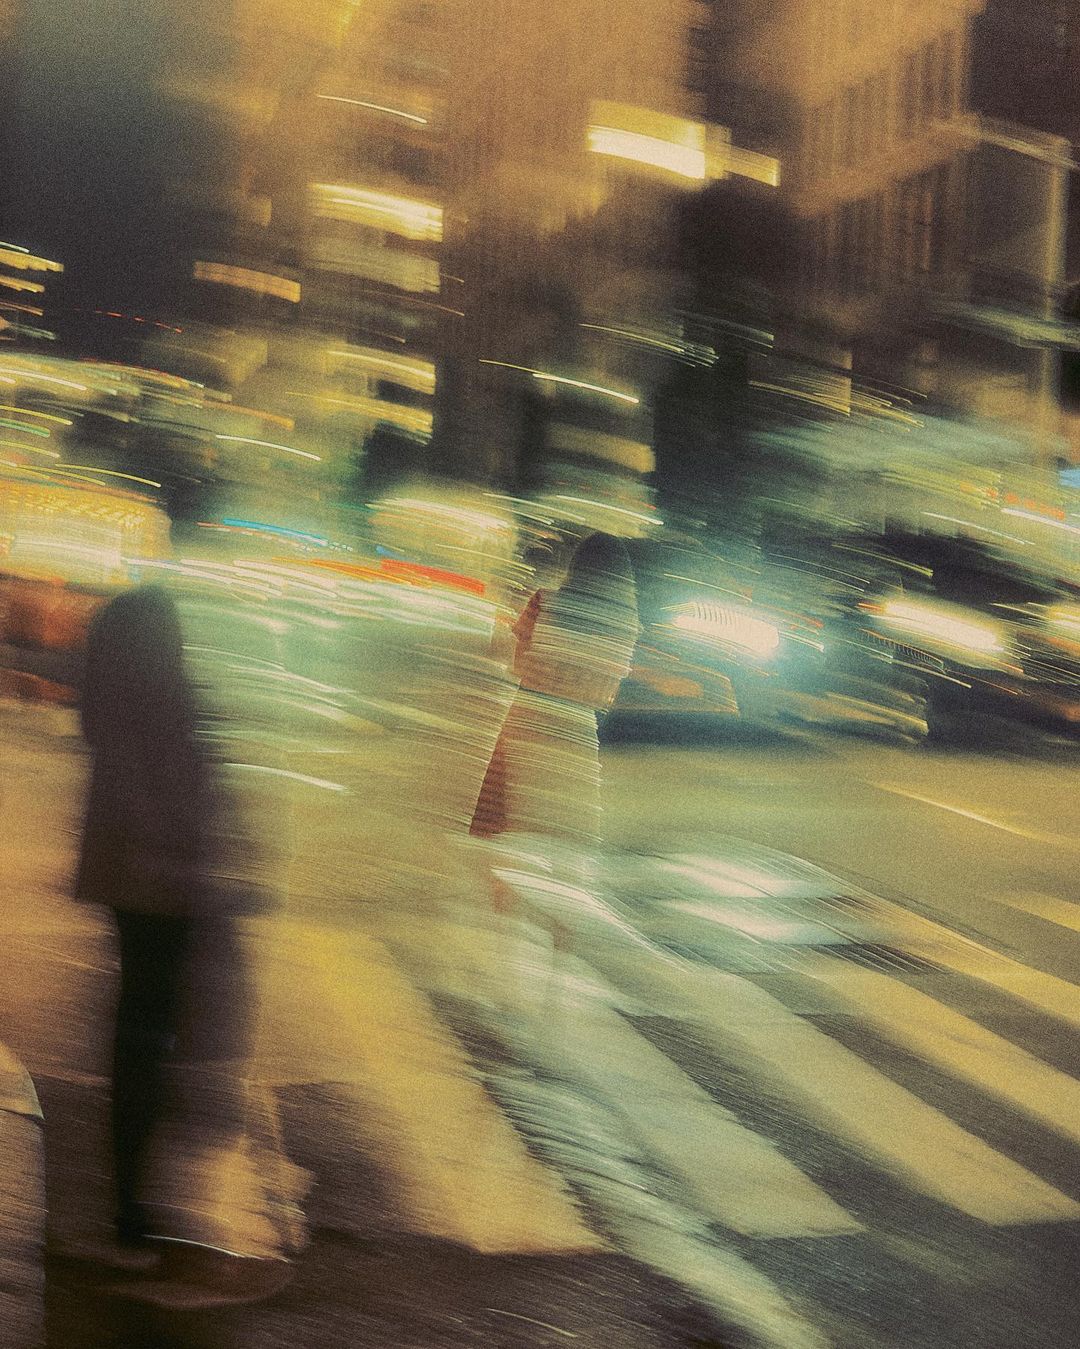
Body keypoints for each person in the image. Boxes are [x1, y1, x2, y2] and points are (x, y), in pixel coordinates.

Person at [76, 580, 300, 1307]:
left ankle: (135, 1213)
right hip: (170, 898)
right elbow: (193, 807)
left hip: (131, 895)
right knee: (178, 1052)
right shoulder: (169, 708)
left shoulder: (111, 708)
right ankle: (170, 1222)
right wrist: (220, 878)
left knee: (138, 1046)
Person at [470, 529, 639, 853]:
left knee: (498, 822)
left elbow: (516, 660)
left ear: (577, 565)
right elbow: (611, 687)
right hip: (579, 729)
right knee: (568, 829)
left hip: (528, 716)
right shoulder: (627, 623)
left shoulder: (543, 601)